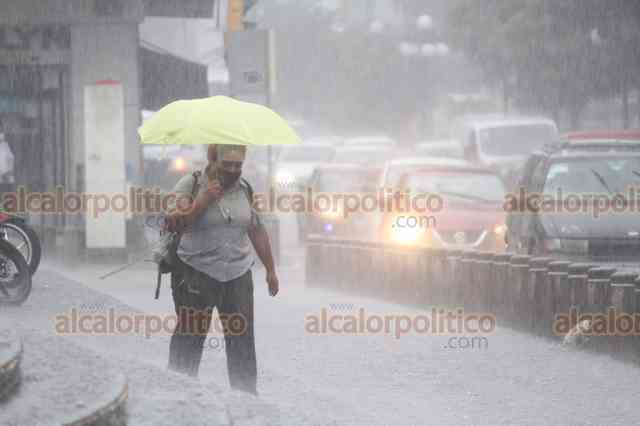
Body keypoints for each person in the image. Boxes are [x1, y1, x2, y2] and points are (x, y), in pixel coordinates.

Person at [165, 144, 278, 395]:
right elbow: (172, 223)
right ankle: (177, 393)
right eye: (227, 163)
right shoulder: (190, 184)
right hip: (196, 272)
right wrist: (203, 201)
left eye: (238, 165)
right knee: (190, 337)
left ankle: (246, 397)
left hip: (237, 274)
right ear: (212, 160)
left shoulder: (245, 189)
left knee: (242, 340)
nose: (233, 170)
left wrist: (271, 269)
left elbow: (256, 229)